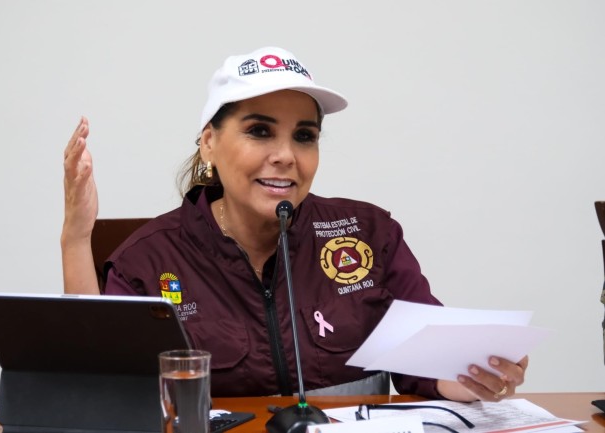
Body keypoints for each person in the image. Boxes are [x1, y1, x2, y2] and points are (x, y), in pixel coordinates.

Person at [62, 46, 528, 401]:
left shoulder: (370, 233)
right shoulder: (148, 260)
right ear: (208, 143)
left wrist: (470, 377)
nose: (286, 155)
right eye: (259, 131)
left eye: (304, 136)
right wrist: (77, 239)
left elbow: (423, 364)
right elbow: (103, 387)